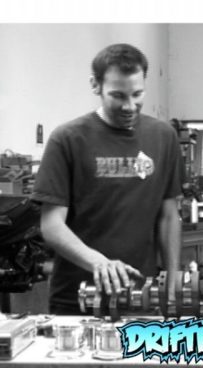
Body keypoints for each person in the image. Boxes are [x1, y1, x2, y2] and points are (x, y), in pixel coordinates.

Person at [32, 43, 182, 314]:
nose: (129, 106)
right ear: (95, 85)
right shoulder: (67, 139)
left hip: (140, 297)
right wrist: (98, 262)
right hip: (77, 299)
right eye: (118, 95)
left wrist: (172, 281)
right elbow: (52, 225)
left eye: (137, 94)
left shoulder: (163, 137)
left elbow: (169, 216)